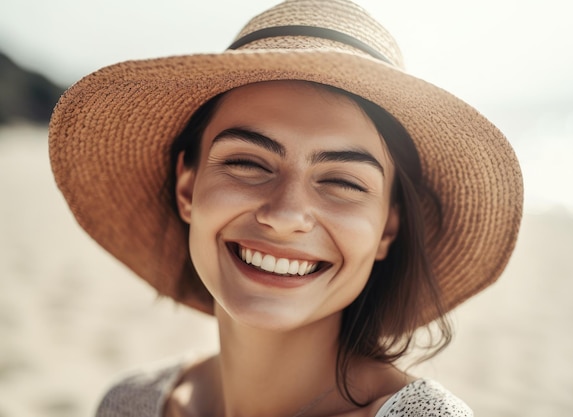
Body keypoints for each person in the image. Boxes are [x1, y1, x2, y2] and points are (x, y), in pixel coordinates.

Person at [48, 0, 523, 416]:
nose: (285, 214)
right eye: (247, 163)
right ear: (187, 187)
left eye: (341, 181)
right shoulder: (129, 406)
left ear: (387, 228)